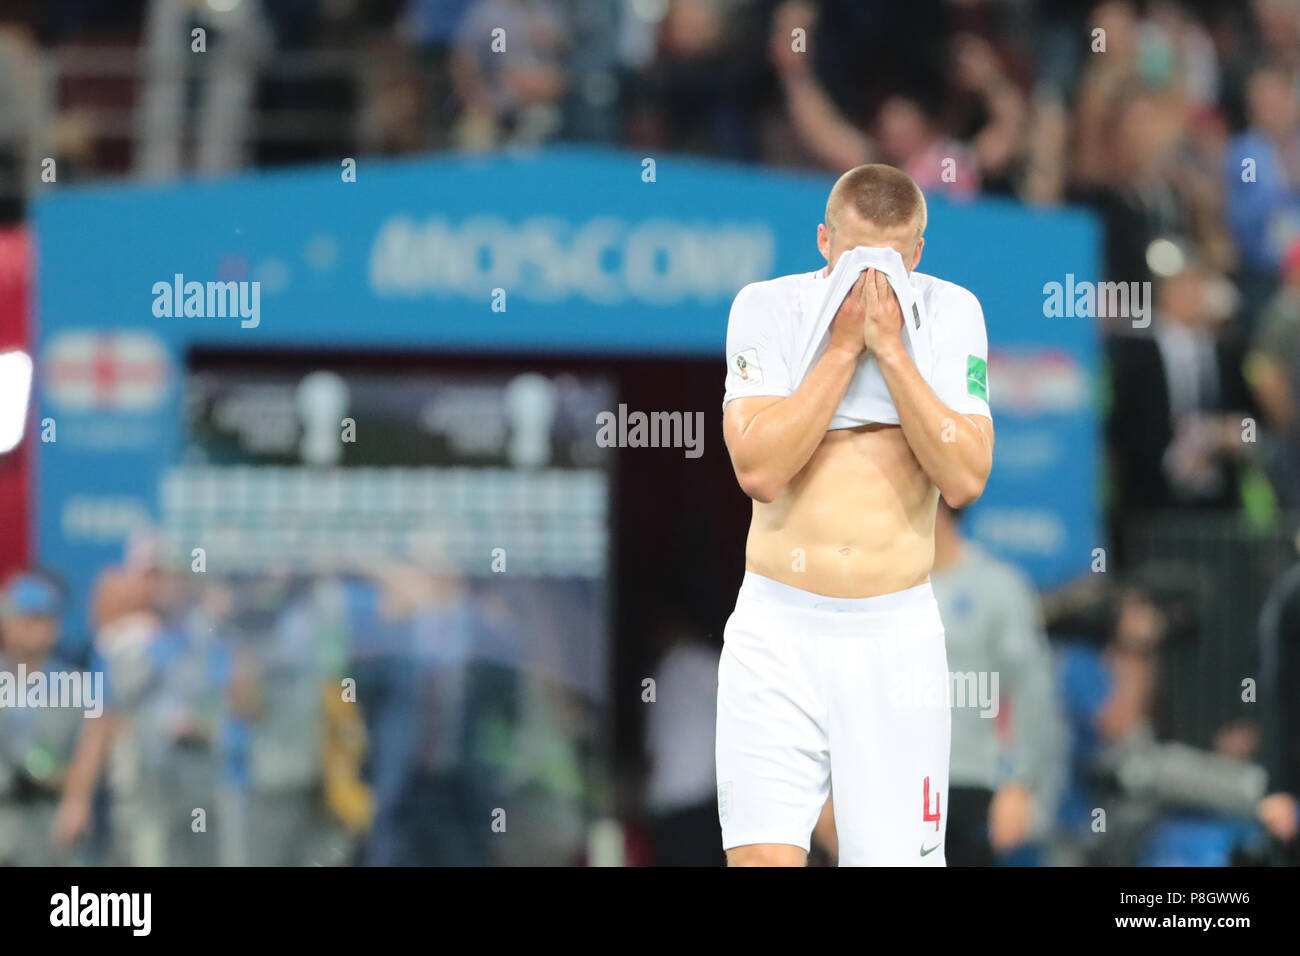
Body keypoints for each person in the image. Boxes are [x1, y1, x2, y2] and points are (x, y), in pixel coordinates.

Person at [718, 163, 994, 866]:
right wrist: (844, 347)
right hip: (777, 628)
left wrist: (893, 351)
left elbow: (964, 478)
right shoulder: (765, 307)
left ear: (920, 254)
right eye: (855, 259)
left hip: (894, 636)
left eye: (894, 260)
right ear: (822, 242)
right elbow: (760, 469)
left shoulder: (953, 311)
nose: (873, 282)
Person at [929, 503, 1065, 865]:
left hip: (971, 783)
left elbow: (1030, 692)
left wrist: (1019, 784)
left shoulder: (998, 586)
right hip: (890, 784)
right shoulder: (877, 590)